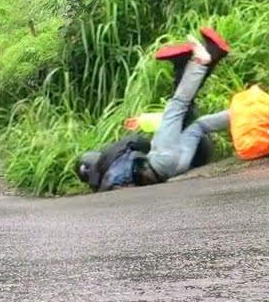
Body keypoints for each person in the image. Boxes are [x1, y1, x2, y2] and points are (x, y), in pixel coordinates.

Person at [76, 27, 231, 191]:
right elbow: (137, 141)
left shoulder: (106, 186)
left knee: (198, 126)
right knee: (177, 104)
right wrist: (154, 138)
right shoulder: (108, 159)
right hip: (162, 160)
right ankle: (200, 62)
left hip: (177, 167)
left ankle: (241, 114)